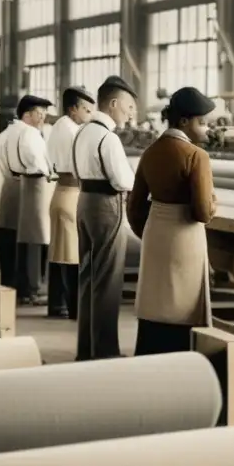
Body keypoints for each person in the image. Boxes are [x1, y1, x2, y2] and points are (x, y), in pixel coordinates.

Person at [128, 86, 217, 356]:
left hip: (156, 231)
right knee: (182, 302)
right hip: (184, 237)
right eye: (201, 123)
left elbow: (134, 207)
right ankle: (180, 359)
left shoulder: (150, 152)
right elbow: (201, 211)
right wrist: (214, 203)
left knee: (156, 299)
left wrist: (150, 232)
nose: (205, 130)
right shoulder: (196, 156)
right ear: (184, 122)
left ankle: (149, 356)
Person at [72, 75, 137, 361]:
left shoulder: (82, 132)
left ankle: (86, 348)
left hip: (83, 201)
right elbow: (124, 180)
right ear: (113, 104)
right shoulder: (107, 137)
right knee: (108, 280)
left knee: (87, 277)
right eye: (129, 106)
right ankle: (106, 350)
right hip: (106, 205)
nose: (131, 113)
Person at [46, 86, 96, 319]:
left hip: (61, 192)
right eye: (86, 109)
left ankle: (57, 304)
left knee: (59, 255)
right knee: (72, 257)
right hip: (71, 192)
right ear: (72, 109)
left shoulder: (59, 127)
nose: (89, 114)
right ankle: (76, 308)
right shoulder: (73, 131)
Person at [9, 95, 54, 306]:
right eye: (39, 112)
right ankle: (32, 287)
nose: (43, 115)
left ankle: (30, 286)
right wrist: (50, 173)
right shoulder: (29, 134)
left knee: (32, 236)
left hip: (31, 185)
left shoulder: (26, 132)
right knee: (36, 238)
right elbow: (38, 163)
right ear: (27, 115)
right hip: (36, 184)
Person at [0, 112, 21, 292]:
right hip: (20, 186)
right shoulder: (24, 135)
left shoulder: (2, 137)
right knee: (18, 237)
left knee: (6, 234)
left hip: (7, 185)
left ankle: (7, 280)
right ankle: (18, 283)